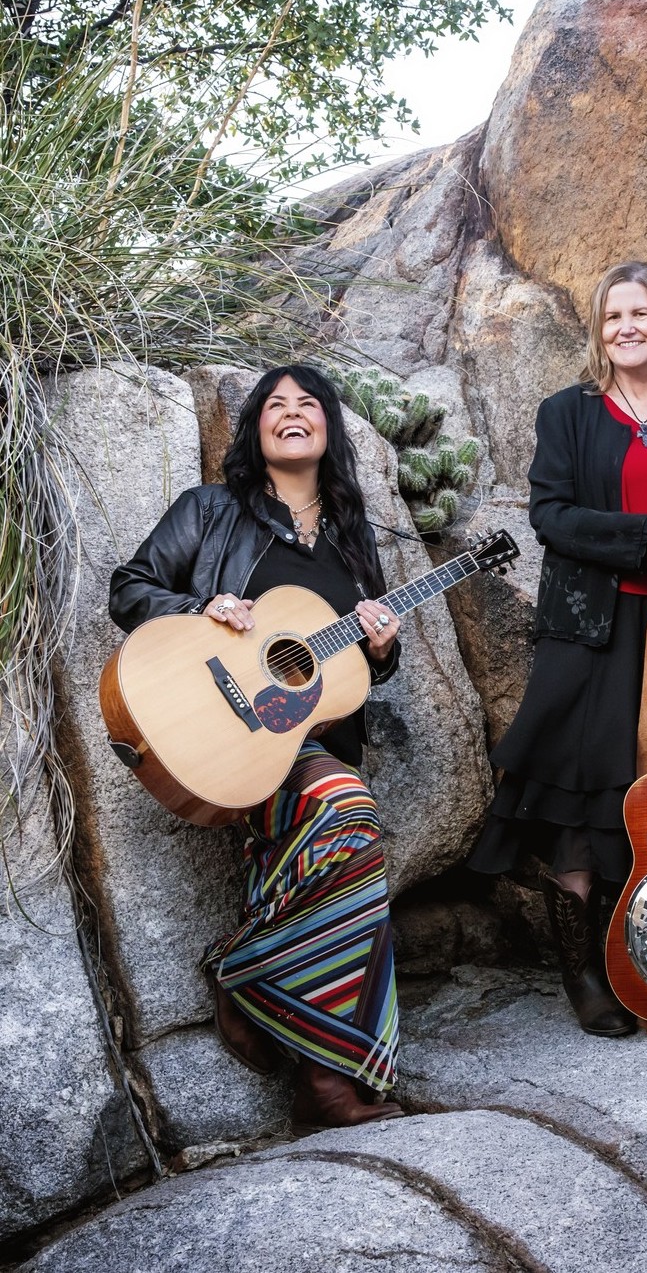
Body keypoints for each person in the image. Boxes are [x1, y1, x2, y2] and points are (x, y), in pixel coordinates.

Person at [109, 363, 406, 1133]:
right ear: (255, 428)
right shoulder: (210, 510)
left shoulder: (349, 536)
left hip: (307, 740)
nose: (292, 411)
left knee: (350, 872)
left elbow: (350, 667)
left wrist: (381, 647)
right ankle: (266, 996)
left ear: (329, 426)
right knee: (348, 809)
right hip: (229, 735)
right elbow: (131, 587)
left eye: (309, 402)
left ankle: (320, 1079)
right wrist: (202, 607)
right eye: (275, 403)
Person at [467, 260, 647, 1035]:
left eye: (640, 313)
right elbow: (550, 516)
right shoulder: (568, 412)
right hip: (590, 631)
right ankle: (584, 973)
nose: (626, 327)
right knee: (581, 802)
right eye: (613, 316)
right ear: (598, 329)